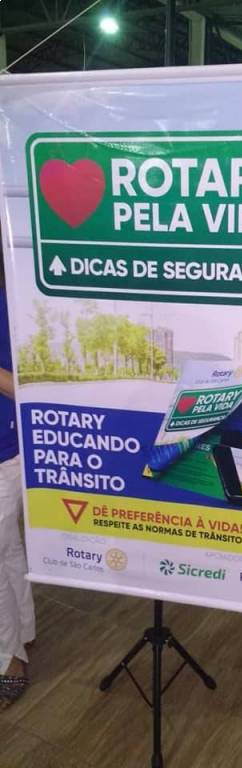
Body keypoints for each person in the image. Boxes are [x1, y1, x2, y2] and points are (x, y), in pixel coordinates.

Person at [0, 254, 35, 707]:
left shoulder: (9, 306)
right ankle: (23, 631)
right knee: (7, 549)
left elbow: (22, 385)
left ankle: (8, 660)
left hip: (6, 452)